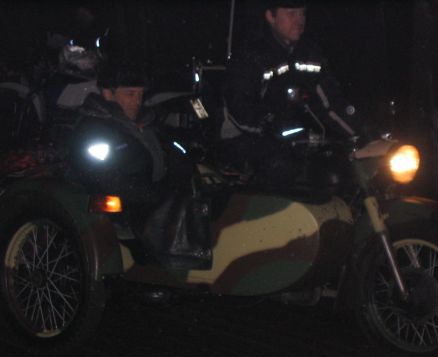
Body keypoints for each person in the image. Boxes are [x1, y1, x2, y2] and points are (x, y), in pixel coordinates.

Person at [68, 59, 211, 268]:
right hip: (126, 218)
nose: (137, 101)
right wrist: (159, 194)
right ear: (108, 94)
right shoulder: (93, 131)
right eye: (130, 94)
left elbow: (175, 155)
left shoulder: (145, 124)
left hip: (161, 207)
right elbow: (104, 178)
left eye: (140, 95)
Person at [220, 0, 362, 186]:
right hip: (246, 140)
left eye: (302, 13)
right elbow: (240, 108)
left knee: (341, 168)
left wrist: (361, 134)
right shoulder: (250, 55)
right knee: (283, 169)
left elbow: (332, 103)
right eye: (291, 13)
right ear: (271, 16)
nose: (299, 20)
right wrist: (273, 124)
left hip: (297, 141)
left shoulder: (309, 53)